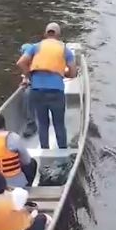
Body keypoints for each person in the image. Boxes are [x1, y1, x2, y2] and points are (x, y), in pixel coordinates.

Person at [15, 22, 77, 150]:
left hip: (37, 90)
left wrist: (30, 75)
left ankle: (44, 150)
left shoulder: (36, 47)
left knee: (43, 124)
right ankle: (62, 151)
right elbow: (73, 72)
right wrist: (64, 73)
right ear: (58, 35)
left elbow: (21, 62)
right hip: (56, 91)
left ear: (45, 34)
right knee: (59, 124)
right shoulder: (64, 49)